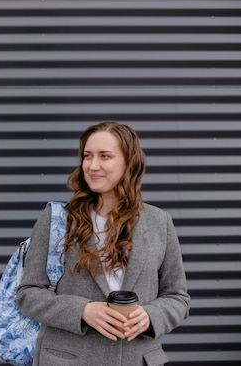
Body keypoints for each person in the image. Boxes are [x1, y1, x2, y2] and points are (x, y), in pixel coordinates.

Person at [17, 122, 190, 366]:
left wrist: (150, 316)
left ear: (129, 162)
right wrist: (83, 310)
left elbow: (177, 297)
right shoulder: (58, 220)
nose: (92, 165)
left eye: (105, 156)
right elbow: (28, 295)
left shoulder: (159, 221)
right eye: (87, 156)